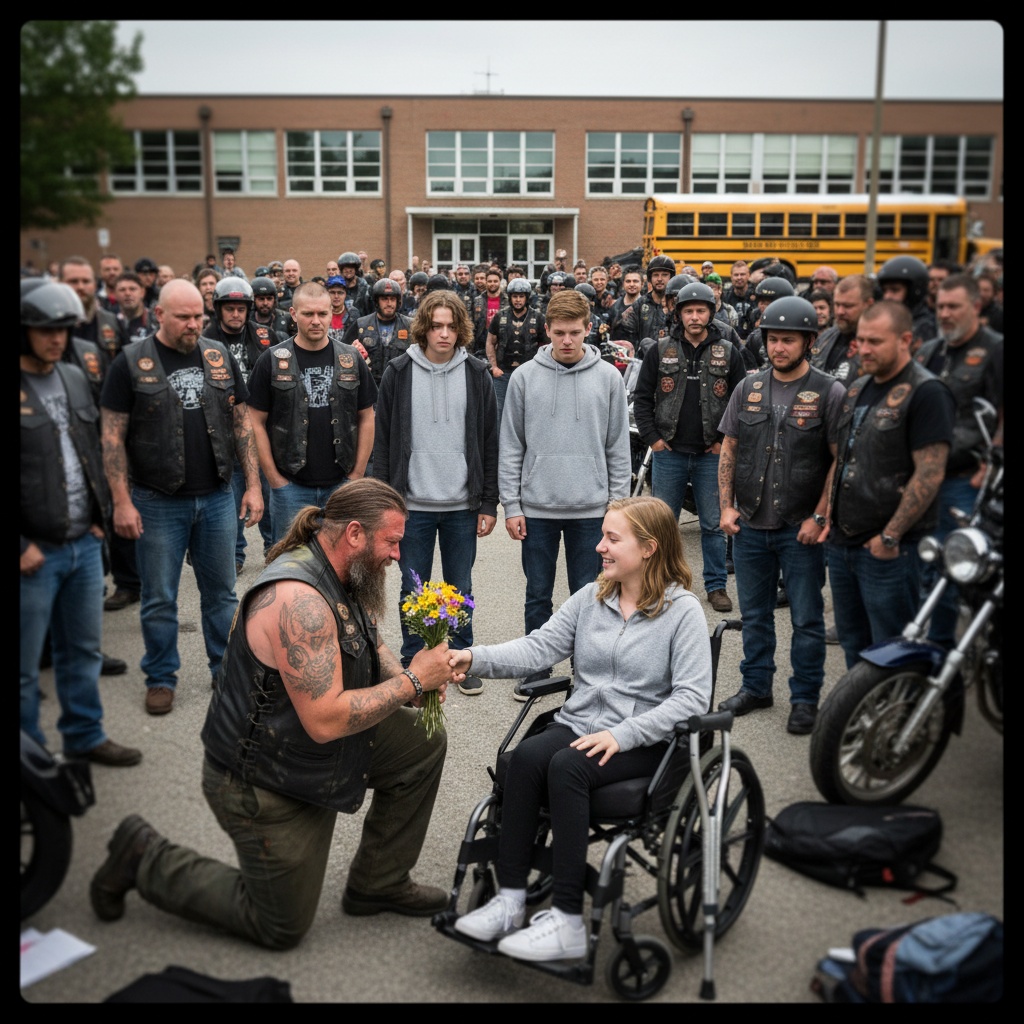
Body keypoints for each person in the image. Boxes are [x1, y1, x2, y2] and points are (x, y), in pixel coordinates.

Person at [90, 479, 455, 949]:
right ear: (356, 534)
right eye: (392, 541)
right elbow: (325, 720)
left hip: (307, 745)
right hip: (262, 777)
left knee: (422, 742)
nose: (398, 555)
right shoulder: (298, 600)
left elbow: (369, 636)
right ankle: (142, 856)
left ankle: (378, 882)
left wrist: (404, 683)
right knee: (281, 925)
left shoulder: (345, 568)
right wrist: (414, 682)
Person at [449, 495, 712, 960]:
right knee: (525, 759)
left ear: (649, 547)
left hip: (647, 738)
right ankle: (510, 900)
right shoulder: (592, 597)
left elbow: (691, 699)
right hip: (582, 723)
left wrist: (622, 734)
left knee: (568, 766)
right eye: (603, 536)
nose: (599, 547)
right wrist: (473, 657)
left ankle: (568, 920)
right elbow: (536, 649)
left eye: (613, 538)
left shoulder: (683, 611)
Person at [100, 280, 265, 716]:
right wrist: (121, 500)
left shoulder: (217, 354)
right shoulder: (131, 362)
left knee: (222, 594)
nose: (194, 324)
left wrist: (252, 485)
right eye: (184, 317)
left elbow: (241, 422)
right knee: (158, 597)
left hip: (215, 498)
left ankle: (225, 669)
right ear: (159, 316)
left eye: (198, 316)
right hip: (156, 501)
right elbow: (112, 438)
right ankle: (160, 677)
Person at [20, 282, 142, 767]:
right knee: (26, 669)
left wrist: (99, 518)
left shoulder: (73, 377)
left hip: (83, 545)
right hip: (34, 554)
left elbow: (92, 450)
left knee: (83, 652)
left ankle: (84, 735)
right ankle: (30, 762)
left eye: (63, 329)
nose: (57, 338)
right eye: (45, 330)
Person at [716, 297, 847, 735]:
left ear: (809, 341)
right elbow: (730, 449)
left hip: (800, 528)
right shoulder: (747, 388)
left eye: (788, 340)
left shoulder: (830, 392)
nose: (778, 347)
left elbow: (838, 460)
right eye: (773, 339)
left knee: (807, 618)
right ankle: (756, 687)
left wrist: (820, 516)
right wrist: (726, 507)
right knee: (754, 614)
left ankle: (805, 698)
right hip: (751, 524)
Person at [498, 289, 631, 700]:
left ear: (588, 329)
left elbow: (617, 446)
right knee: (537, 593)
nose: (568, 341)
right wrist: (512, 505)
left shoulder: (608, 377)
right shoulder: (523, 378)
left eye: (575, 332)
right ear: (547, 331)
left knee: (592, 592)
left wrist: (618, 507)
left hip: (592, 510)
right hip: (536, 508)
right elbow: (511, 445)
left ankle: (588, 670)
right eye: (560, 333)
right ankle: (537, 669)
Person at [373, 291, 498, 697]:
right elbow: (383, 443)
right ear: (424, 328)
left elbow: (490, 442)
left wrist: (488, 502)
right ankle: (415, 664)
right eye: (436, 326)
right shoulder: (398, 371)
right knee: (414, 590)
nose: (444, 334)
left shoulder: (477, 373)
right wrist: (385, 505)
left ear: (461, 330)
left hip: (463, 505)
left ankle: (460, 659)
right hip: (412, 508)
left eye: (451, 326)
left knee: (460, 587)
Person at [825, 301, 955, 670]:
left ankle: (901, 720)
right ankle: (864, 719)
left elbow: (929, 473)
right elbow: (845, 456)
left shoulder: (927, 392)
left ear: (906, 341)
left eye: (875, 341)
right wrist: (826, 520)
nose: (863, 348)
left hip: (890, 550)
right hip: (843, 541)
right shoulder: (858, 387)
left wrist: (890, 537)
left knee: (893, 645)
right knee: (854, 642)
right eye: (861, 340)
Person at [632, 280, 746, 614]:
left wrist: (724, 442)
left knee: (712, 524)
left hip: (713, 454)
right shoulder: (660, 348)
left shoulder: (728, 351)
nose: (694, 316)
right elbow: (642, 398)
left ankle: (716, 586)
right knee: (663, 525)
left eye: (701, 310)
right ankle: (661, 585)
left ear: (711, 313)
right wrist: (654, 439)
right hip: (670, 453)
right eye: (688, 311)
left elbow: (741, 402)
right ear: (678, 313)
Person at [247, 282, 377, 543]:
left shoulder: (351, 358)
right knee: (289, 564)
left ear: (332, 313)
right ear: (294, 315)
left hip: (341, 484)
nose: (316, 321)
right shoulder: (271, 360)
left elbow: (367, 416)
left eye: (322, 313)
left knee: (342, 565)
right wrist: (274, 479)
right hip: (290, 488)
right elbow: (254, 421)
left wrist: (356, 477)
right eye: (308, 314)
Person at [913, 273, 1003, 648]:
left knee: (951, 571)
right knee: (921, 564)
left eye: (954, 307)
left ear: (976, 307)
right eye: (941, 306)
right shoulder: (931, 349)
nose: (945, 313)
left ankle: (941, 649)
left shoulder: (996, 349)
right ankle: (918, 645)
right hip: (921, 478)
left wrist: (989, 466)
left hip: (964, 480)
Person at [202, 276, 276, 572]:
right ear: (219, 310)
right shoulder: (204, 340)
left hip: (261, 427)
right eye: (229, 309)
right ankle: (235, 553)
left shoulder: (265, 335)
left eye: (240, 309)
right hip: (221, 430)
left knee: (268, 494)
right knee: (232, 496)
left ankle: (275, 547)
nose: (235, 314)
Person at [486, 277, 545, 421]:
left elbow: (545, 347)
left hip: (530, 374)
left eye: (521, 296)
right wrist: (494, 367)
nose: (518, 300)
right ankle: (500, 443)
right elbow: (490, 343)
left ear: (527, 298)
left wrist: (540, 370)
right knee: (499, 412)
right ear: (510, 297)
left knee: (529, 412)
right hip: (503, 373)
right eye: (514, 296)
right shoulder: (500, 316)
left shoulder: (538, 317)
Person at [342, 277, 414, 385]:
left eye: (393, 299)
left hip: (400, 387)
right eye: (384, 299)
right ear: (376, 301)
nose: (389, 303)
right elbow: (342, 353)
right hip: (369, 388)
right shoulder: (361, 325)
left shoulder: (411, 326)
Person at [809, 274, 873, 383]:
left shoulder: (880, 344)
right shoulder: (825, 337)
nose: (840, 312)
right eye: (837, 304)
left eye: (848, 306)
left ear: (868, 304)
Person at [876, 255, 936, 352]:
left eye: (895, 290)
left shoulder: (924, 327)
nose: (887, 296)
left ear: (914, 292)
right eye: (884, 291)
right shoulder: (885, 320)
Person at [618, 255, 674, 350]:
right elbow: (625, 333)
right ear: (650, 278)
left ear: (671, 277)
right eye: (656, 275)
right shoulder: (639, 304)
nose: (659, 279)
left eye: (664, 274)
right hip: (644, 360)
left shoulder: (677, 305)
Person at [471, 267, 506, 355]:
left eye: (495, 281)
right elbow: (472, 325)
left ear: (500, 282)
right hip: (481, 344)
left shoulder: (507, 301)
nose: (492, 284)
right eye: (490, 281)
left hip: (502, 343)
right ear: (486, 282)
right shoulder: (477, 301)